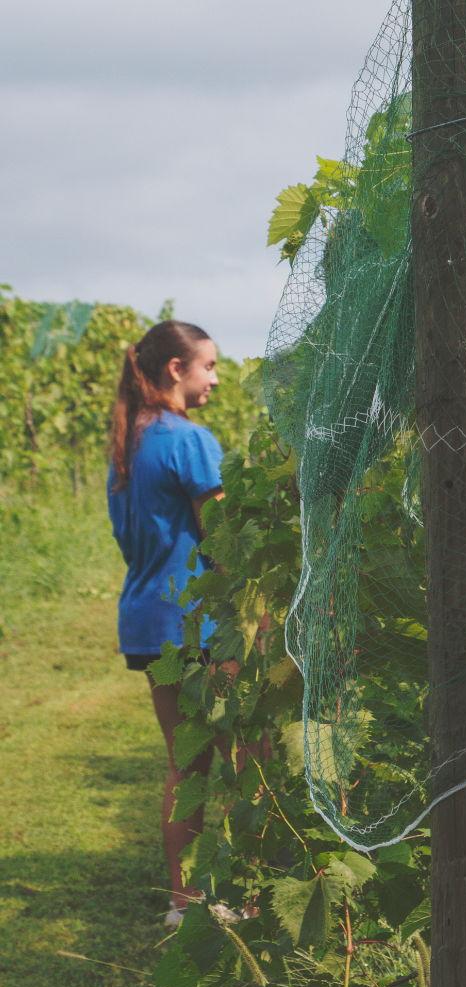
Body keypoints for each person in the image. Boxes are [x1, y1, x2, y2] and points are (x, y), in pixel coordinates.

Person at [107, 320, 223, 928]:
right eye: (208, 365)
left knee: (186, 763)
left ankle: (185, 902)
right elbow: (228, 540)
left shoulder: (129, 444)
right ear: (176, 369)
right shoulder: (188, 439)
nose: (216, 378)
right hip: (196, 621)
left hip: (146, 619)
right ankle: (243, 896)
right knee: (243, 755)